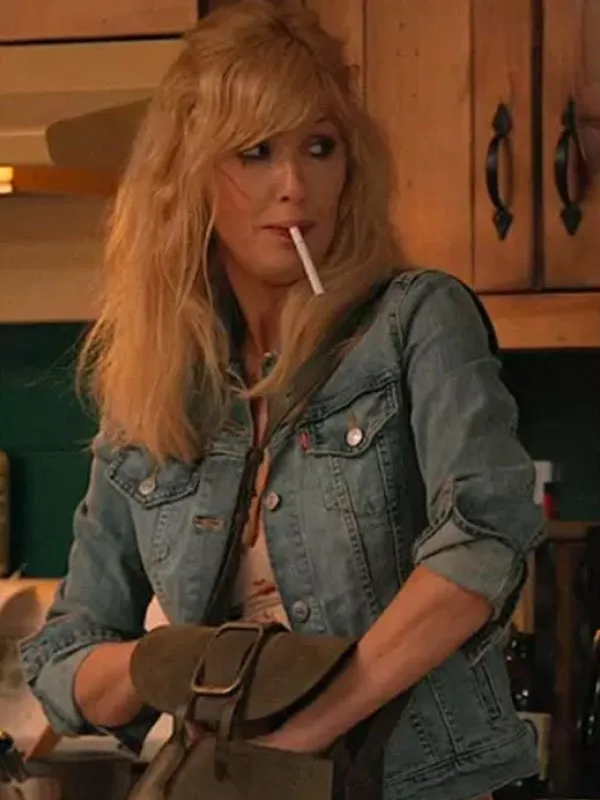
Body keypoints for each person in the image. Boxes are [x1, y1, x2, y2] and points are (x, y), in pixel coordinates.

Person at [19, 2, 545, 799]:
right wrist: (167, 663)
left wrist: (305, 731)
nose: (295, 187)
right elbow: (63, 657)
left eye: (319, 148)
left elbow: (484, 539)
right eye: (256, 151)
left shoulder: (413, 322)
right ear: (192, 176)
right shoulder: (156, 386)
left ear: (350, 167)